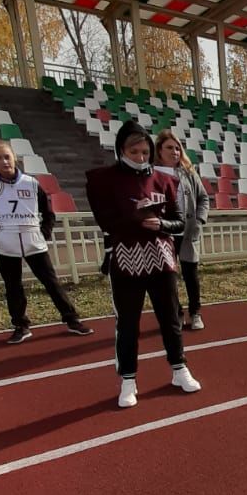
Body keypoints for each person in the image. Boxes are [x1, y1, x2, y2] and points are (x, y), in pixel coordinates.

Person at [85, 120, 201, 408]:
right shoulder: (104, 180)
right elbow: (106, 222)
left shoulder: (165, 181)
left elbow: (178, 222)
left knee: (170, 319)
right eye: (133, 151)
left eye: (145, 152)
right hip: (126, 260)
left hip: (161, 260)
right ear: (121, 150)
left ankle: (179, 368)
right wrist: (137, 218)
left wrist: (160, 222)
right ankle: (128, 379)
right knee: (128, 324)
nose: (140, 157)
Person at [0, 138, 93, 345]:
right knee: (13, 286)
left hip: (33, 242)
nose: (4, 162)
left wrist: (44, 232)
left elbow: (48, 213)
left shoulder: (31, 182)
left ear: (14, 158)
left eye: (7, 157)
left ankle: (72, 320)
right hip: (6, 244)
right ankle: (21, 325)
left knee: (51, 282)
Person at [154, 130, 210, 330]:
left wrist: (199, 219)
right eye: (169, 147)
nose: (175, 152)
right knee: (167, 279)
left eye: (178, 148)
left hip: (187, 233)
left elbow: (203, 198)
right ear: (159, 150)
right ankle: (176, 313)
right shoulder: (151, 174)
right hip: (164, 234)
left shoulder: (189, 173)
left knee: (190, 275)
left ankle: (195, 313)